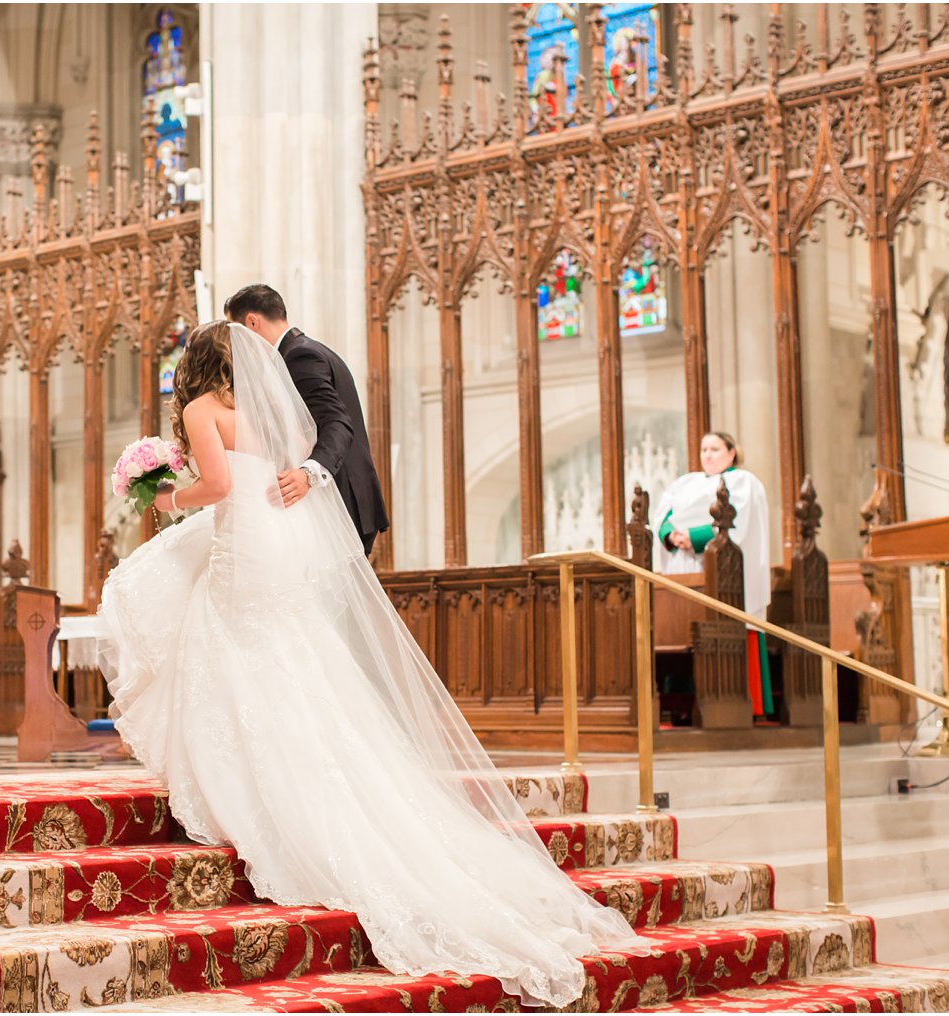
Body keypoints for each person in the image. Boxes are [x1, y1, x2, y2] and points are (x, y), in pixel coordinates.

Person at [97, 321, 648, 1008]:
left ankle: (255, 784)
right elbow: (294, 460)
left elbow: (212, 484)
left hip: (243, 544)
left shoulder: (201, 410)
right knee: (294, 661)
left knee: (219, 635)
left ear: (198, 364)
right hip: (280, 544)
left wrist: (166, 499)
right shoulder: (270, 413)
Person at [222, 284, 388, 558]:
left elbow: (337, 422)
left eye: (235, 333)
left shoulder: (299, 357)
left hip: (340, 498)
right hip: (347, 496)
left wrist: (307, 474)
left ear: (252, 322)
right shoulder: (308, 349)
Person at [654, 431, 774, 717]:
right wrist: (671, 536)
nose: (708, 454)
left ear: (732, 453)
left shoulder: (744, 482)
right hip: (684, 566)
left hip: (723, 568)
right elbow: (661, 515)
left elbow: (738, 521)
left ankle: (738, 703)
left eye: (715, 449)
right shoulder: (685, 483)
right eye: (704, 449)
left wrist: (694, 537)